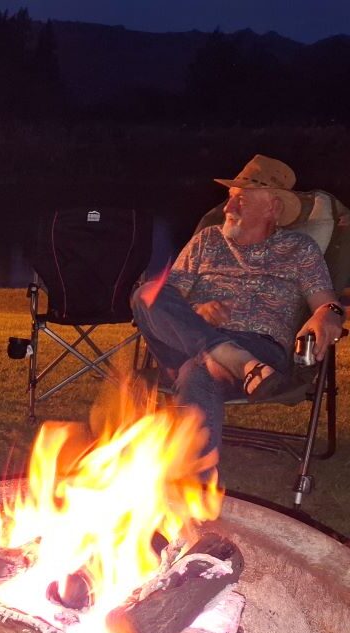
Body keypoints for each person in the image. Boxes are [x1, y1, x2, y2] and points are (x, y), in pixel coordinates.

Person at [132, 154, 343, 465]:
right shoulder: (206, 241)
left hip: (261, 351)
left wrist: (328, 314)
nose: (227, 209)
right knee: (147, 293)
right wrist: (195, 310)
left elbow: (327, 303)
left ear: (273, 208)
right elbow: (168, 298)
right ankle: (229, 356)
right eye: (229, 199)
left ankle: (194, 488)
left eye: (241, 200)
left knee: (200, 371)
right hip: (192, 346)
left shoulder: (300, 249)